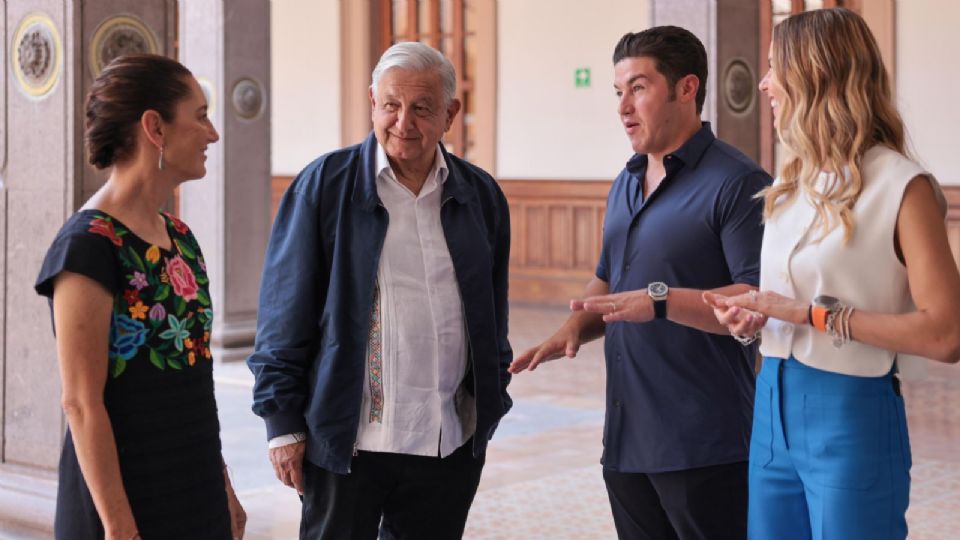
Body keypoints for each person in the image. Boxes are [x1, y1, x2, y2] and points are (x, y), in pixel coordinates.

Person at [703, 7, 960, 539]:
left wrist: (811, 315)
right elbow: (785, 302)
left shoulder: (903, 187)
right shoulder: (789, 185)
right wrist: (757, 314)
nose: (766, 82)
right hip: (770, 411)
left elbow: (945, 334)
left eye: (778, 68)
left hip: (851, 415)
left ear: (818, 74)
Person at [509, 27, 770, 540]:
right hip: (626, 440)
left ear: (686, 88)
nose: (624, 107)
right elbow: (610, 277)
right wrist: (572, 329)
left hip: (704, 444)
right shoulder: (625, 182)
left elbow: (757, 300)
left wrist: (662, 302)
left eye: (639, 88)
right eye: (618, 92)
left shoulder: (739, 183)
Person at [247, 41, 512, 539]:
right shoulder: (324, 186)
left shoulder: (481, 197)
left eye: (422, 108)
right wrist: (282, 424)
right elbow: (283, 314)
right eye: (390, 105)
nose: (403, 122)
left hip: (447, 442)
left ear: (451, 113)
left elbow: (493, 312)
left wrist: (494, 398)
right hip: (349, 443)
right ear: (372, 102)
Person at [34, 55, 245, 539]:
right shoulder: (87, 246)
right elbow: (81, 403)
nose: (212, 134)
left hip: (194, 489)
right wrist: (119, 527)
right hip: (123, 501)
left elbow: (194, 382)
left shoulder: (181, 237)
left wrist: (224, 486)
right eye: (200, 115)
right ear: (155, 127)